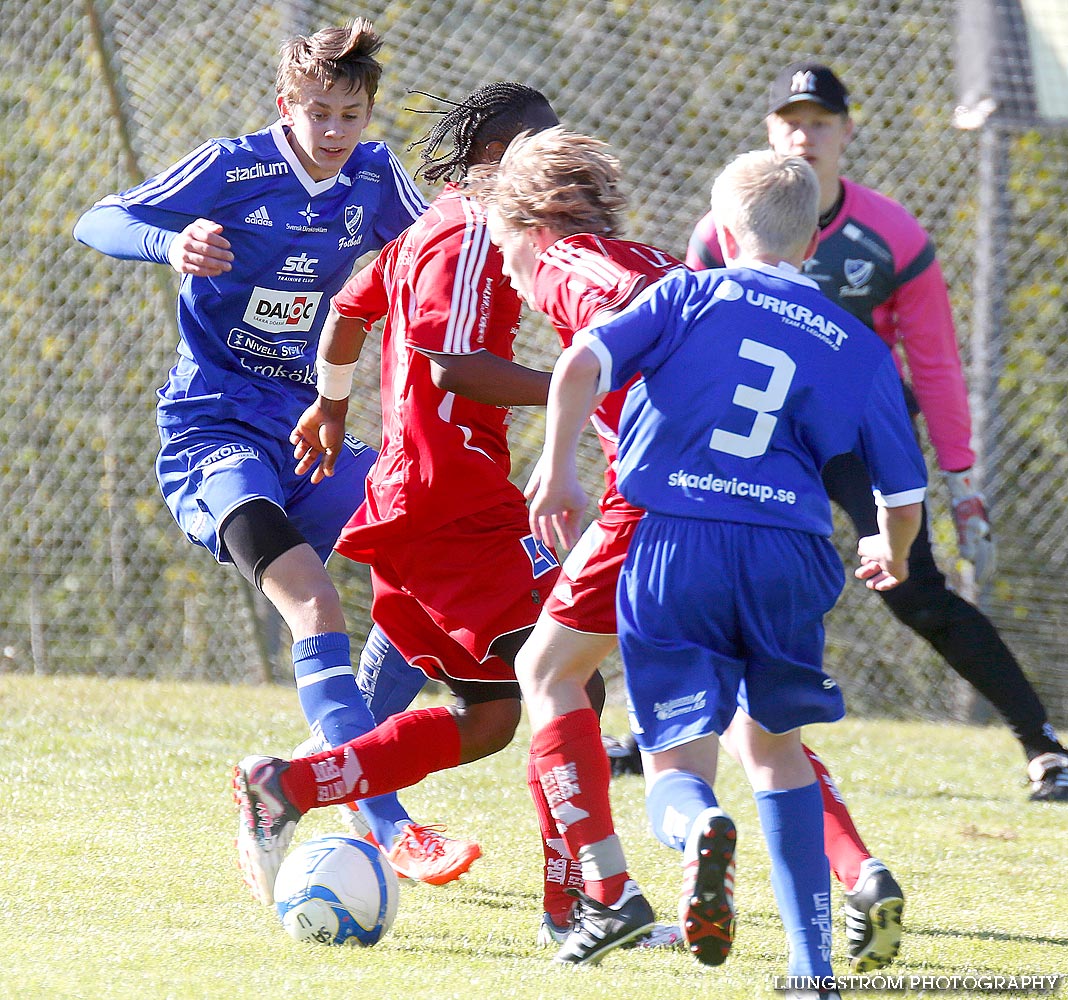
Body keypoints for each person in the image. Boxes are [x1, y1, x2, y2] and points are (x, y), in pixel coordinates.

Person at [468, 126, 903, 972]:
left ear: (534, 229)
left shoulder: (572, 268)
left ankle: (611, 891)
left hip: (662, 511)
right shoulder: (671, 267)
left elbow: (602, 353)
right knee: (758, 725)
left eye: (502, 253)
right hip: (762, 523)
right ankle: (854, 875)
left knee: (547, 673)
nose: (511, 281)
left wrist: (564, 466)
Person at [229, 85, 656, 935]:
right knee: (570, 677)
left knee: (492, 717)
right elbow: (450, 361)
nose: (550, 164)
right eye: (538, 147)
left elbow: (350, 312)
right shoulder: (467, 235)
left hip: (426, 500)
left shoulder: (431, 225)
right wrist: (588, 385)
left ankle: (288, 786)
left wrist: (336, 401)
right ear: (497, 159)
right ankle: (573, 908)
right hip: (448, 502)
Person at [72, 19, 482, 890]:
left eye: (352, 114)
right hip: (215, 432)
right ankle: (392, 826)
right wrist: (168, 242)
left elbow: (441, 246)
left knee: (433, 540)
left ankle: (298, 777)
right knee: (316, 606)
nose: (335, 132)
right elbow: (97, 219)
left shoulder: (374, 178)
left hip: (311, 431)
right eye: (320, 112)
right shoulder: (232, 167)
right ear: (286, 105)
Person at [687, 62, 1068, 804]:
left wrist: (960, 479)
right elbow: (692, 337)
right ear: (769, 132)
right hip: (756, 431)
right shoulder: (723, 226)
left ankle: (1044, 747)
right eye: (791, 120)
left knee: (915, 591)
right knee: (708, 570)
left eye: (821, 120)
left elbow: (934, 362)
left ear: (847, 132)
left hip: (851, 436)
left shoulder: (889, 233)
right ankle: (659, 733)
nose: (805, 133)